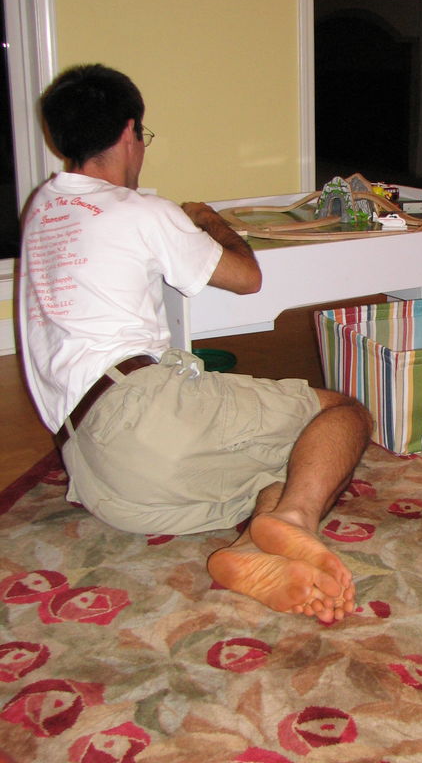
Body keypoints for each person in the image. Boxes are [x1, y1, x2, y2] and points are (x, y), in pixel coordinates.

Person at [19, 64, 372, 624]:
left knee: (288, 459)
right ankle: (296, 524)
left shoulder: (42, 206)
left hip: (98, 476)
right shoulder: (141, 212)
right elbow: (246, 276)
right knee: (341, 412)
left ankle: (251, 549)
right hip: (142, 418)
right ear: (130, 131)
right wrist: (210, 221)